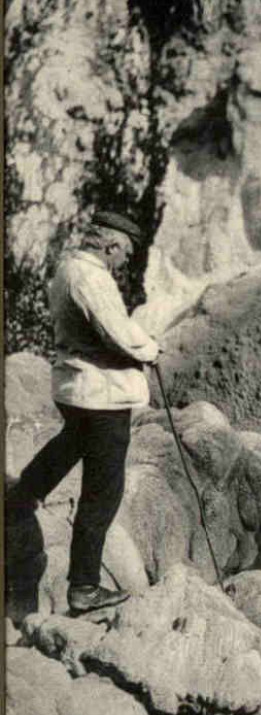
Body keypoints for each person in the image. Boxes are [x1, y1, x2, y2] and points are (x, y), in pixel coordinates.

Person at [7, 210, 160, 615]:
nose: (125, 260)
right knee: (103, 491)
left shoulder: (67, 266)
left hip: (74, 388)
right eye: (124, 251)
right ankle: (84, 587)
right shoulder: (93, 277)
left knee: (70, 441)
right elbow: (116, 332)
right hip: (101, 396)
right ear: (110, 245)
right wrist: (151, 349)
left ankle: (21, 497)